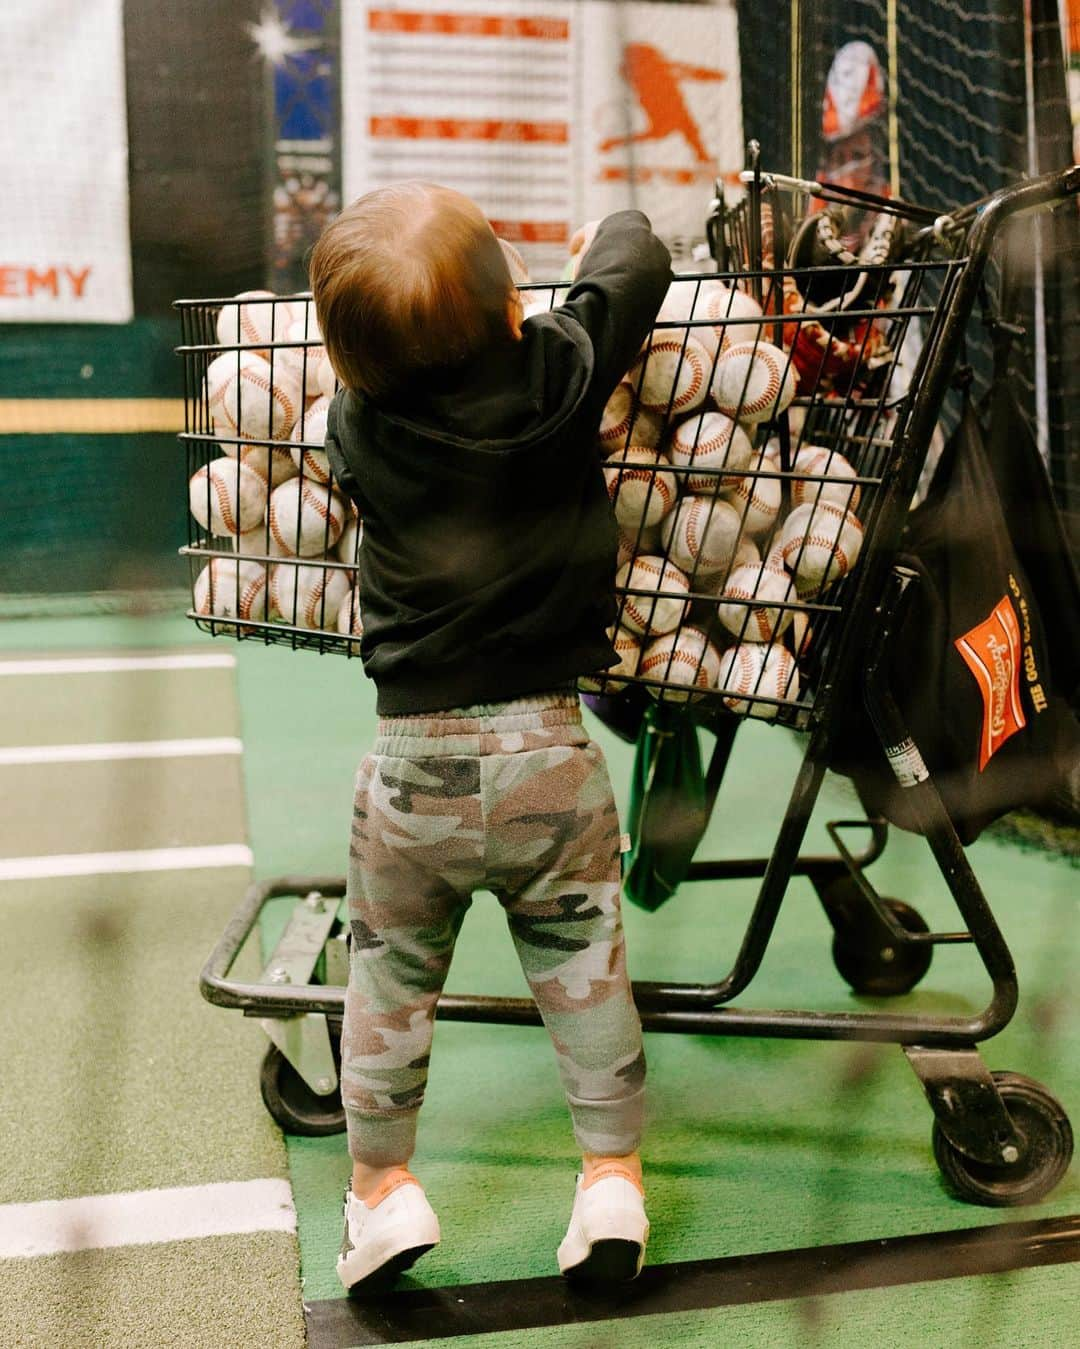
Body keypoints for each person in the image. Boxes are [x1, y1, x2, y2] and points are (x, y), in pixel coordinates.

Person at [310, 182, 672, 1295]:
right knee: (585, 963)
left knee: (389, 978)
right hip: (549, 754)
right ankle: (611, 1176)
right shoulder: (560, 372)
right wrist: (596, 244)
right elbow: (636, 263)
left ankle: (383, 1190)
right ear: (514, 309)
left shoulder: (356, 424)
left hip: (411, 764)